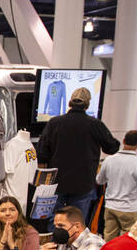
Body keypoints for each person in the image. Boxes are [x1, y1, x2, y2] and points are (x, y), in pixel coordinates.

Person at [35, 86, 120, 218]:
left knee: (55, 221)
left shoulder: (54, 123)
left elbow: (42, 153)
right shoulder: (95, 124)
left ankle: (55, 238)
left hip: (56, 182)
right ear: (88, 103)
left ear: (70, 101)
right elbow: (112, 147)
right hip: (83, 183)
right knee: (76, 222)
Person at [95, 130, 137, 241]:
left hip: (110, 206)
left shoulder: (109, 160)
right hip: (130, 208)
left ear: (124, 141)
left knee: (109, 239)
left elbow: (99, 180)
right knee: (128, 241)